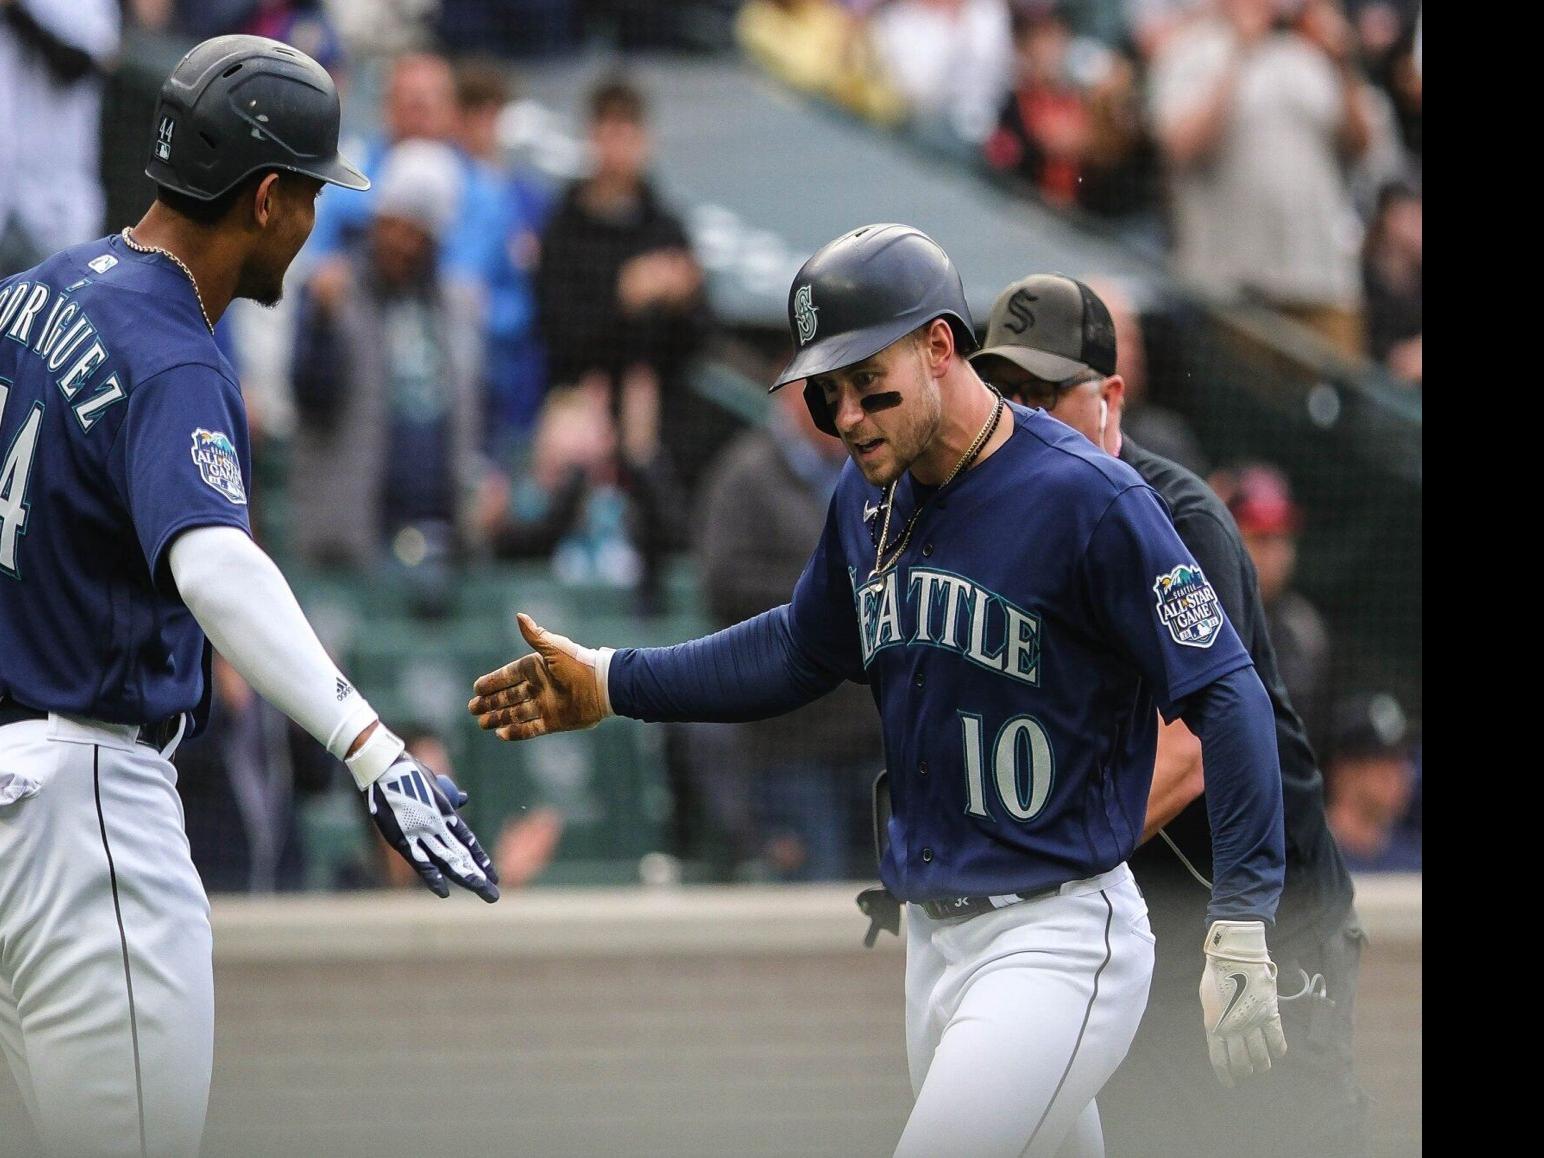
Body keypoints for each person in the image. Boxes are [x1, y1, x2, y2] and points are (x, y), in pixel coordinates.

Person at [469, 223, 1288, 1156]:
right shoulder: (867, 498)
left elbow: (1227, 689)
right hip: (935, 945)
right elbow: (798, 649)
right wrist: (614, 680)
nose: (847, 413)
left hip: (1059, 933)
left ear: (941, 345)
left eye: (867, 380)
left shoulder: (1090, 499)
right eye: (826, 393)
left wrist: (1242, 917)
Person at [0, 36, 498, 1158]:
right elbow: (215, 564)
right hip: (85, 807)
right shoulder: (174, 349)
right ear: (266, 197)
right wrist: (373, 750)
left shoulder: (27, 293)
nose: (317, 218)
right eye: (312, 193)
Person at [969, 272, 1366, 1157]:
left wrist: (1024, 866)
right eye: (1008, 392)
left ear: (1111, 397)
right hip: (1139, 916)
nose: (1022, 415)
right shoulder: (1002, 526)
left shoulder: (1180, 519)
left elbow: (1189, 750)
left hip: (1263, 908)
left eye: (1047, 393)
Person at [694, 377, 886, 881]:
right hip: (791, 743)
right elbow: (723, 586)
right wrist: (825, 594)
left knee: (886, 907)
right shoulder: (745, 476)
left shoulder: (875, 469)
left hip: (874, 736)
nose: (845, 413)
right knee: (812, 901)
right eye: (827, 396)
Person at [289, 138, 489, 573]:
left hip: (443, 533)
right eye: (395, 226)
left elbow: (481, 410)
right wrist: (321, 325)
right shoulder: (333, 291)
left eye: (418, 232)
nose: (403, 243)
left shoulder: (457, 305)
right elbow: (309, 396)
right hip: (354, 535)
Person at [1147, 0, 1373, 356]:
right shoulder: (1191, 49)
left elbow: (1362, 144)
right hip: (1234, 286)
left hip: (1322, 280)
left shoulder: (1308, 53)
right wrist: (1240, 49)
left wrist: (1343, 60)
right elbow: (1181, 144)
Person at [0, 0, 119, 274]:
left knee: (56, 304)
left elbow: (77, 63)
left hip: (57, 200)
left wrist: (18, 11)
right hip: (7, 182)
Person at [1324, 691, 1419, 872]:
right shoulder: (1306, 858)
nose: (1397, 773)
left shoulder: (1413, 862)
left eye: (1402, 759)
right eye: (1381, 760)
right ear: (1344, 770)